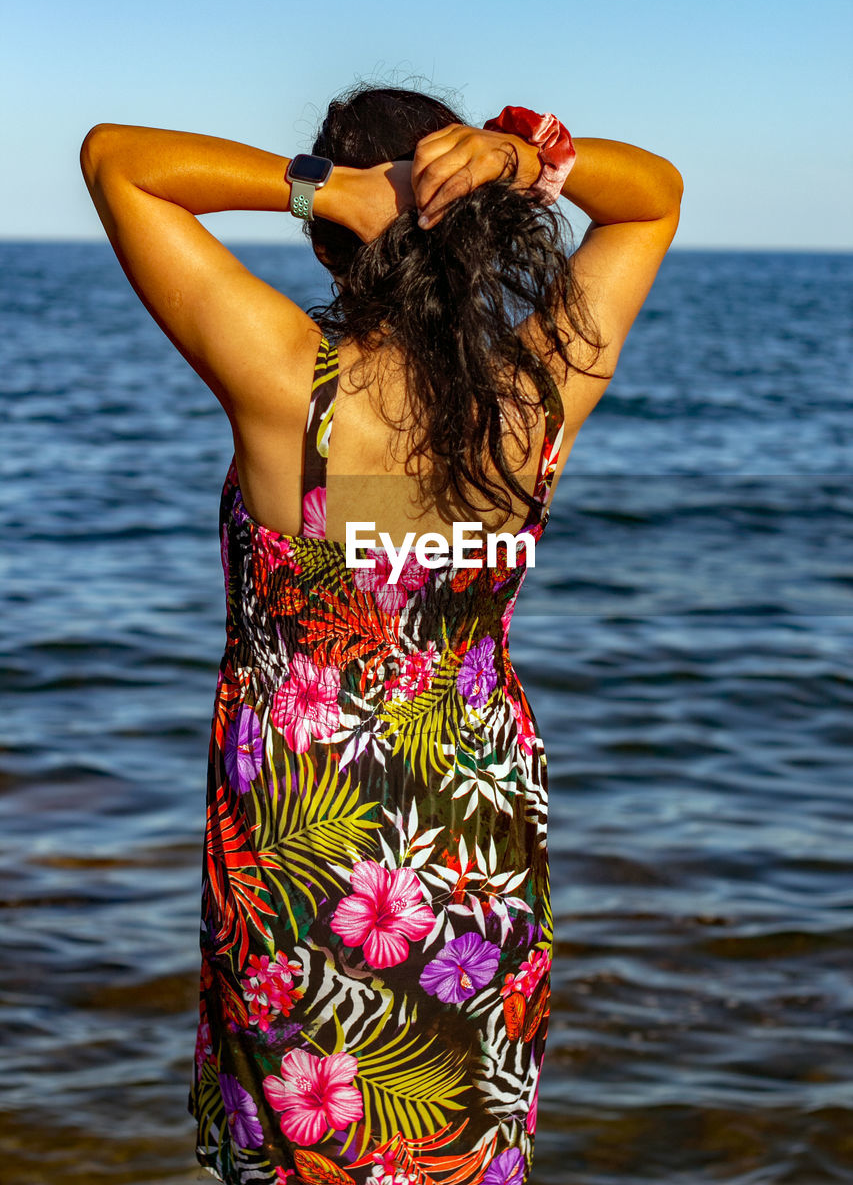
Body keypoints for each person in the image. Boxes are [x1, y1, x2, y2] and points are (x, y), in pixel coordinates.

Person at [80, 83, 682, 1185]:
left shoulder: (286, 385)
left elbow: (117, 158)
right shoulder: (532, 394)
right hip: (473, 868)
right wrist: (525, 158)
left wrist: (322, 185)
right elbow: (650, 202)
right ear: (476, 225)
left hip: (309, 860)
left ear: (334, 232)